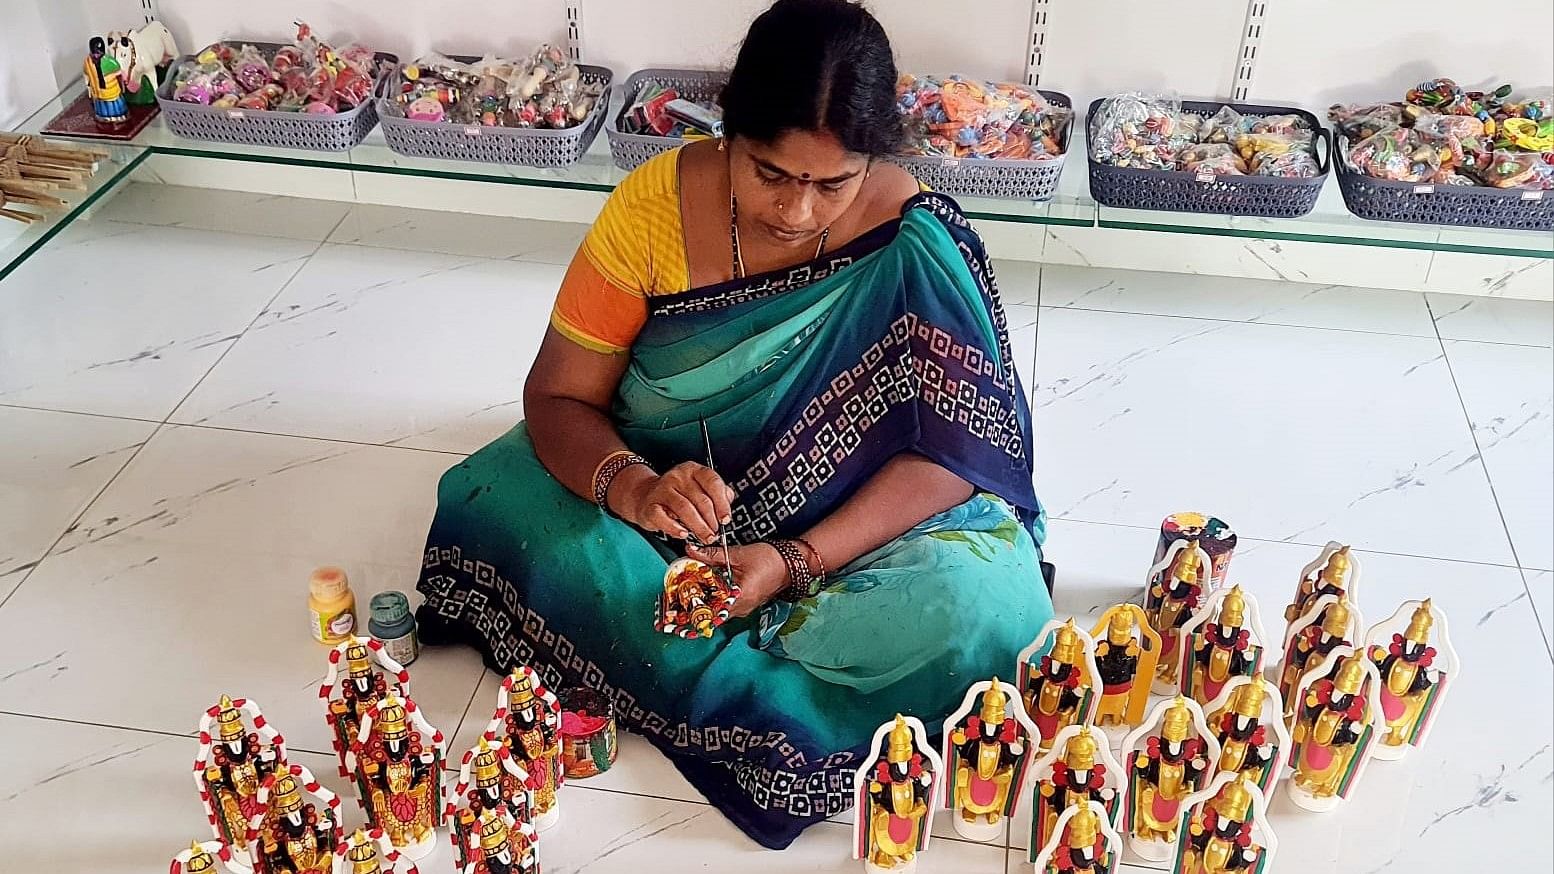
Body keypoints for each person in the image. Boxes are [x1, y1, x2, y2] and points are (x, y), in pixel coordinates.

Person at [414, 0, 1053, 848]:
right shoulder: (654, 210)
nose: (796, 211)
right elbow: (559, 399)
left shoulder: (914, 237)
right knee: (497, 500)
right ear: (727, 133)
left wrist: (795, 560)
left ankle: (756, 636)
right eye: (771, 173)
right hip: (669, 493)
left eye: (833, 183)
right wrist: (635, 488)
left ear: (877, 160)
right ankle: (777, 657)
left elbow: (957, 449)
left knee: (990, 609)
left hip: (854, 518)